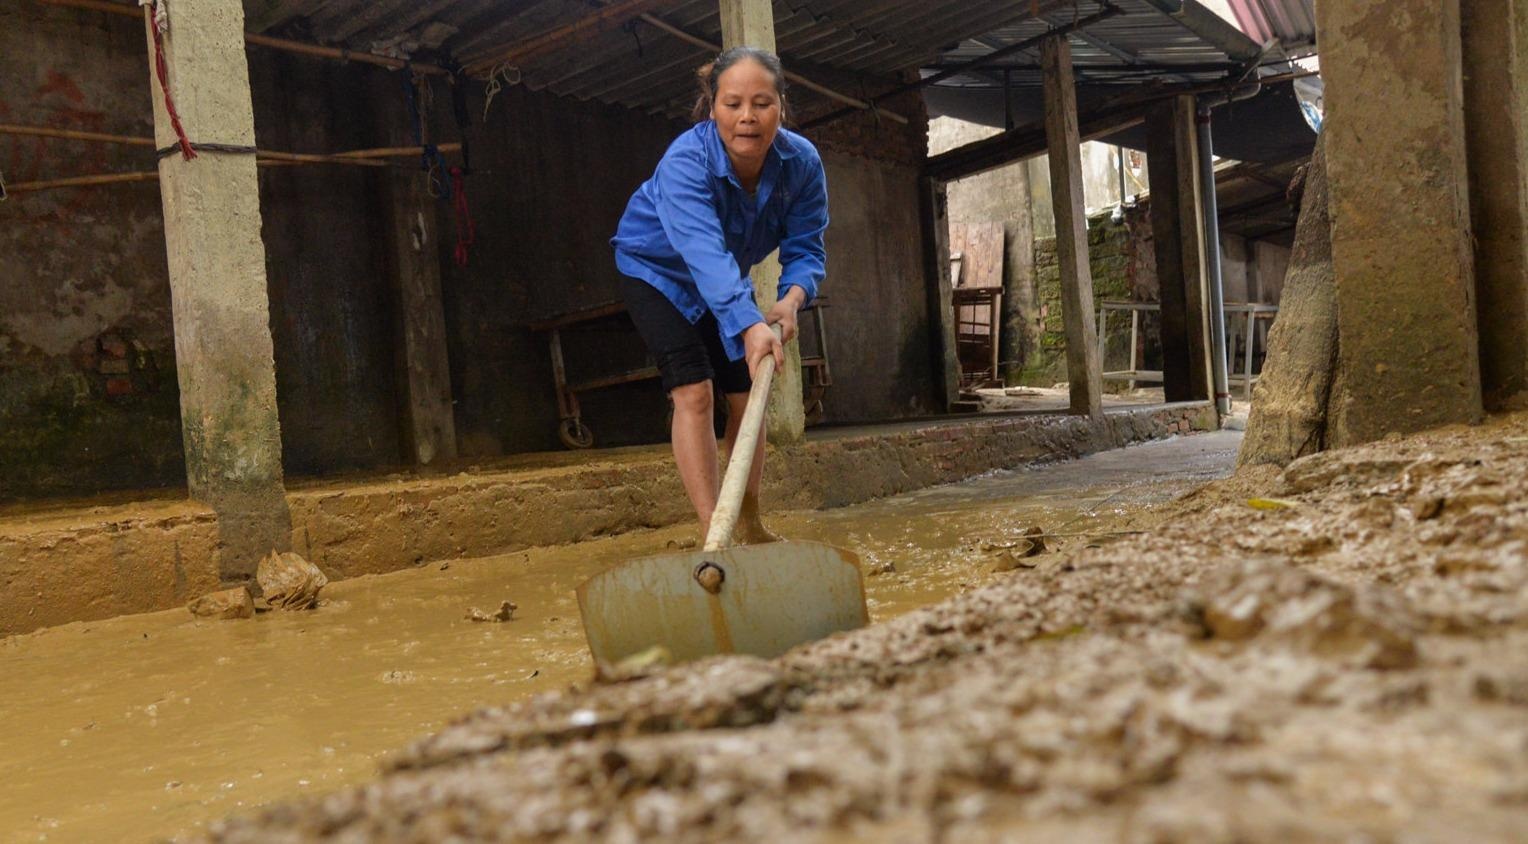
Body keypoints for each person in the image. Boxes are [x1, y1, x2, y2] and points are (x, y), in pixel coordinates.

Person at [610, 46, 829, 544]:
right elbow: (702, 252)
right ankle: (715, 532)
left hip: (723, 280)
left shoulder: (802, 164)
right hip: (655, 272)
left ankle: (748, 520)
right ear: (713, 107)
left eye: (761, 103)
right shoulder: (686, 161)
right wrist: (749, 323)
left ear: (781, 106)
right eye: (733, 104)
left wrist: (790, 300)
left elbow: (806, 245)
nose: (747, 117)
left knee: (748, 392)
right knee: (694, 391)